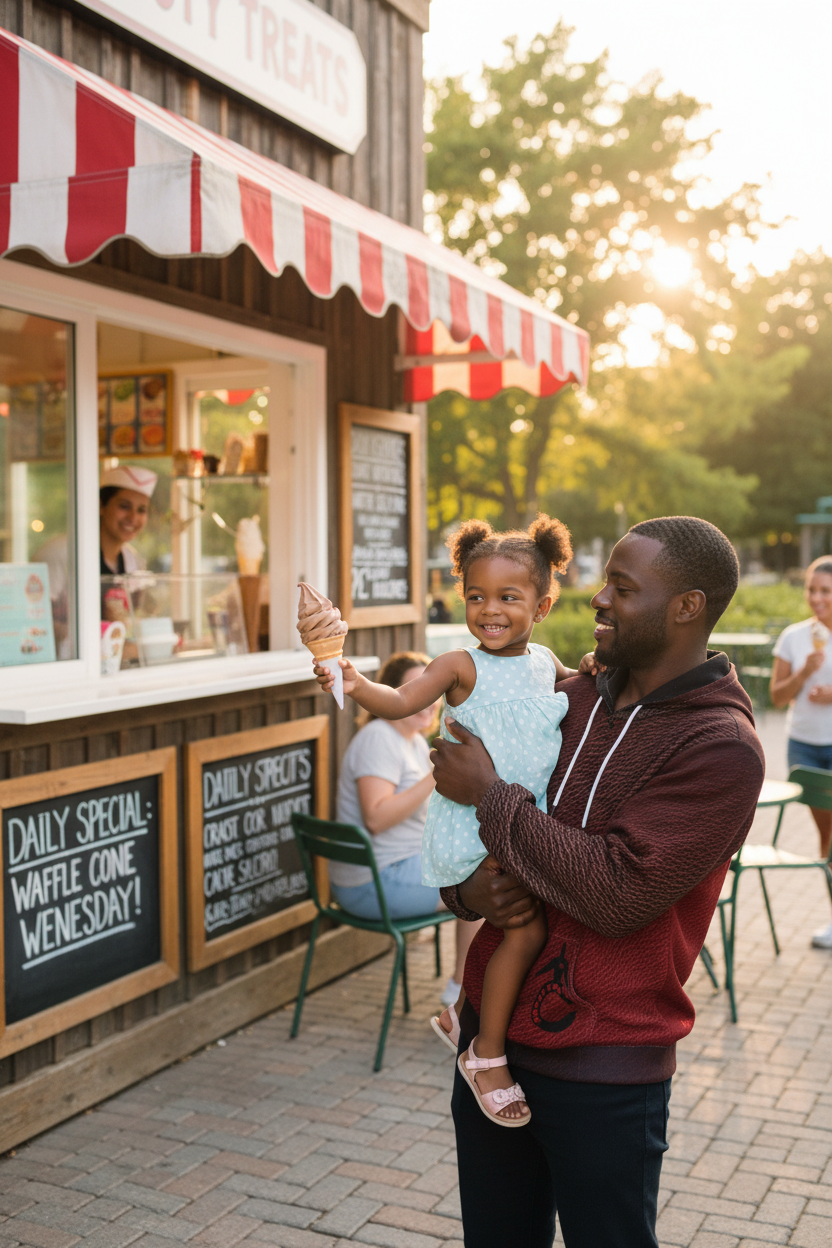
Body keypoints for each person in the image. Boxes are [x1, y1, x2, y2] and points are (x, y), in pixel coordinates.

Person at [431, 516, 764, 1248]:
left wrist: (489, 796)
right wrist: (465, 896)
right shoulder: (566, 698)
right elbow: (478, 850)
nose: (598, 599)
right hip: (492, 1050)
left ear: (688, 606)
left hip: (607, 1066)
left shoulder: (720, 746)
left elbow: (617, 894)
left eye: (622, 587)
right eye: (604, 581)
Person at [316, 515, 597, 1127]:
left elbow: (577, 694)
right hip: (474, 824)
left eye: (508, 598)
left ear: (542, 605)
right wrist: (355, 680)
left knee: (523, 923)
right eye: (475, 596)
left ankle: (462, 1010)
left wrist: (596, 670)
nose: (488, 610)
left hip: (521, 819)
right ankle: (485, 1052)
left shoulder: (546, 663)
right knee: (522, 929)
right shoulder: (457, 665)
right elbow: (399, 702)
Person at [330, 652, 481, 987]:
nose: (428, 701)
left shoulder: (412, 741)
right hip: (374, 883)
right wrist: (436, 775)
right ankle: (461, 992)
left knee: (485, 868)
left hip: (396, 870)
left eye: (432, 692)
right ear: (390, 694)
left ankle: (465, 989)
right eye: (416, 689)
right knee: (485, 889)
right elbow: (377, 818)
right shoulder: (379, 738)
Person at [770, 555, 832, 948]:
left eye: (826, 591)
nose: (817, 597)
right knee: (826, 835)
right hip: (804, 750)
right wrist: (804, 672)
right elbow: (777, 698)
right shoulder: (793, 637)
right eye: (812, 589)